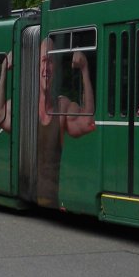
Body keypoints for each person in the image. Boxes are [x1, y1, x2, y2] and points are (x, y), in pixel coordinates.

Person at [36, 36, 97, 207]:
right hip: (29, 195)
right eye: (42, 61)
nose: (46, 68)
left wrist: (84, 69)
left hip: (51, 201)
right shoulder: (24, 106)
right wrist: (3, 70)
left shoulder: (62, 106)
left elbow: (88, 123)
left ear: (55, 68)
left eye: (50, 62)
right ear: (36, 66)